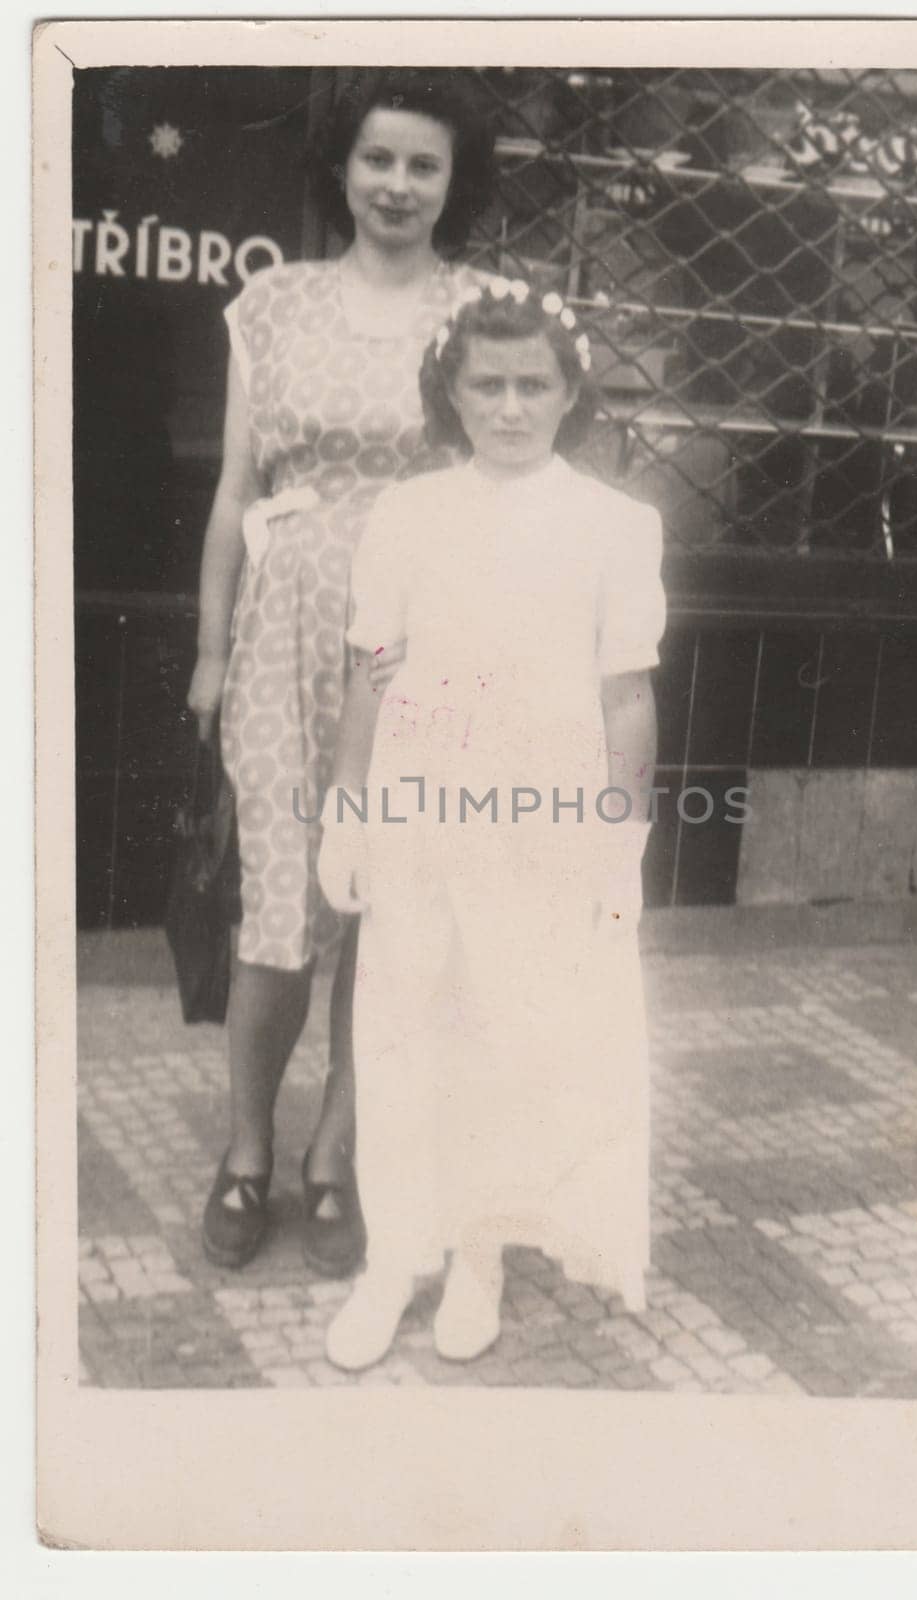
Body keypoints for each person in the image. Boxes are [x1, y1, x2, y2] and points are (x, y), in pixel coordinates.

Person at [316, 278, 666, 1369]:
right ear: (451, 394)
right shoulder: (408, 514)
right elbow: (371, 672)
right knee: (399, 1028)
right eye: (487, 385)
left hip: (543, 824)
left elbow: (624, 696)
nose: (509, 406)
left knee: (506, 1036)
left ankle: (477, 1255)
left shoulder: (615, 525)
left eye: (532, 384)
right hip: (423, 808)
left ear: (569, 395)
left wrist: (620, 841)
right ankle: (391, 1261)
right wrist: (348, 806)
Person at [185, 69, 495, 1276]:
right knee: (276, 911)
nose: (398, 186)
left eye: (423, 165)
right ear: (342, 169)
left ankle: (336, 1156)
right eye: (378, 160)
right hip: (285, 631)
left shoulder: (484, 309)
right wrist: (210, 651)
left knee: (394, 904)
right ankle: (247, 1149)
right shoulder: (271, 304)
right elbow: (231, 493)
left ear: (452, 182)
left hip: (430, 632)